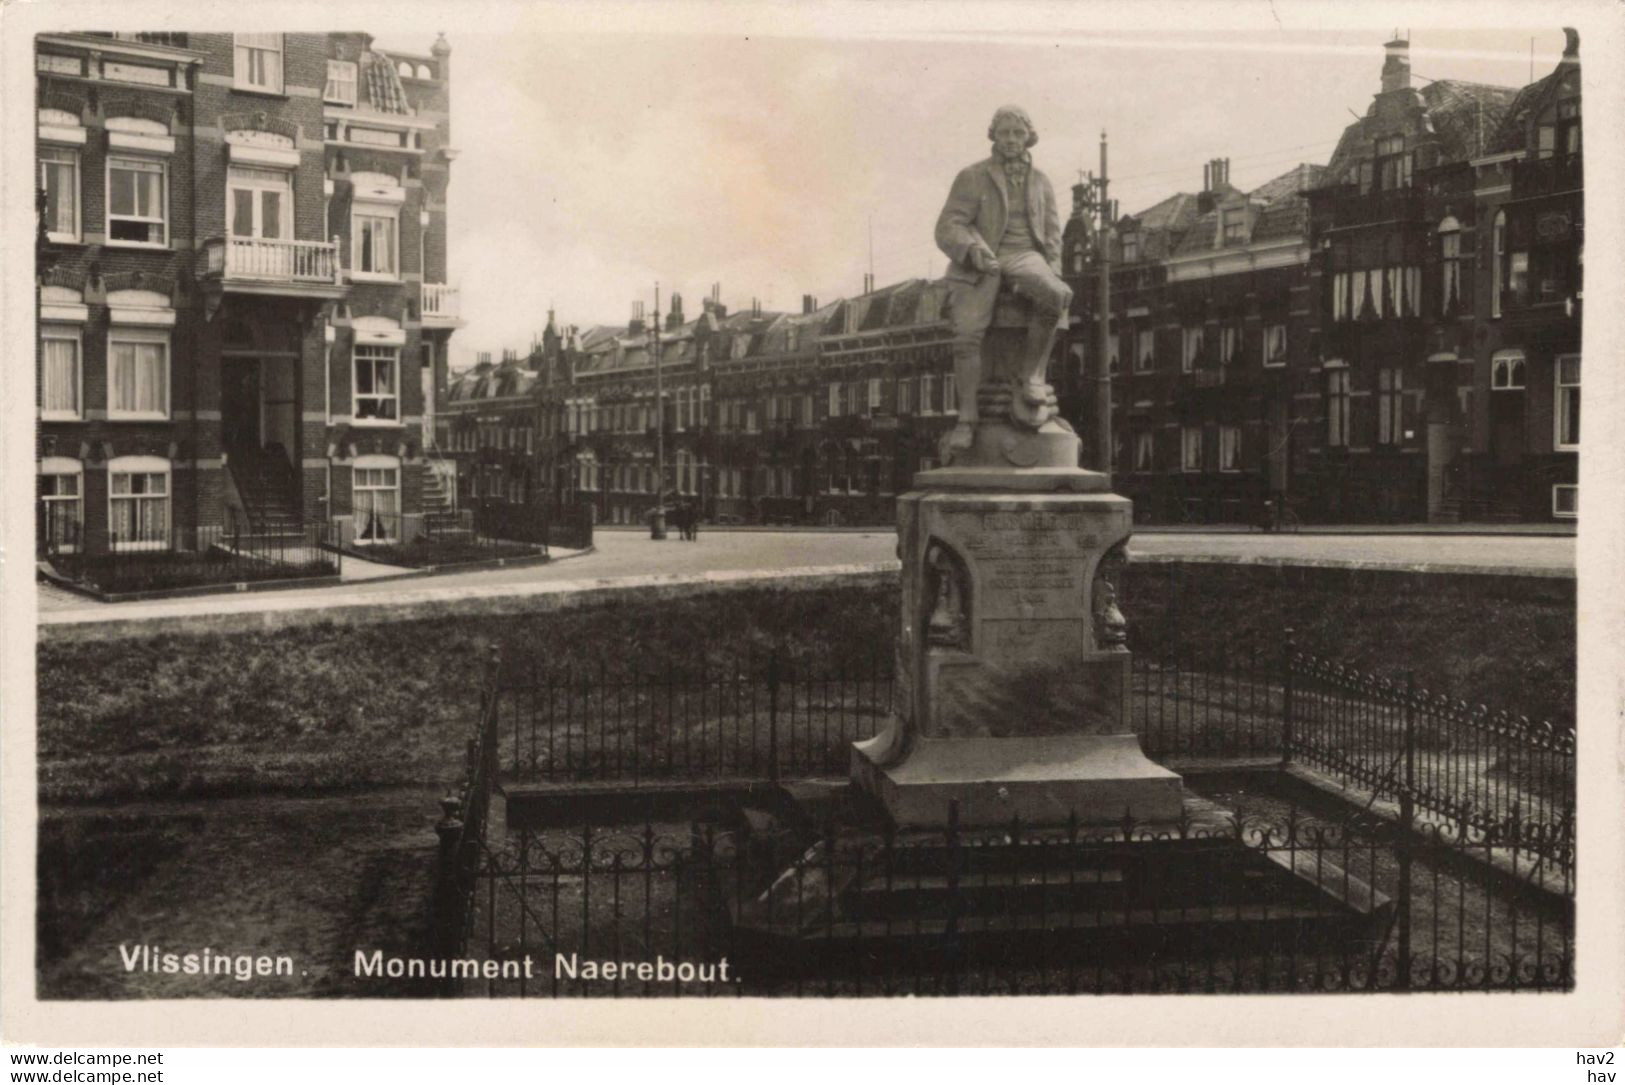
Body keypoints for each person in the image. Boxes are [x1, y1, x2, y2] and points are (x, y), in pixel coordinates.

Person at [934, 104, 1073, 458]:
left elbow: (1054, 236)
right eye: (1004, 132)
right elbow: (948, 225)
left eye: (1018, 133)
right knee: (967, 334)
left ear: (1029, 137)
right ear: (993, 135)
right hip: (983, 260)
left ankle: (1032, 378)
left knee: (1057, 296)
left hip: (1026, 256)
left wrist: (1050, 272)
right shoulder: (972, 176)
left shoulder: (1042, 181)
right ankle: (967, 419)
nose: (1011, 140)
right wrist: (972, 251)